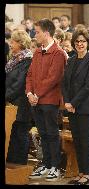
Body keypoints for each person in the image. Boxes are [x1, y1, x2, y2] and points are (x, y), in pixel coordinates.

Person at [26, 18, 67, 181]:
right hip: (35, 100)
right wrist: (29, 93)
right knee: (42, 133)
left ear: (46, 33)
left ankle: (55, 166)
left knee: (51, 133)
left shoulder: (58, 53)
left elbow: (54, 78)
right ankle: (45, 163)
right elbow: (29, 75)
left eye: (37, 32)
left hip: (49, 100)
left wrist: (37, 94)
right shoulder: (37, 52)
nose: (35, 35)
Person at [62, 28, 89, 185]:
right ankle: (81, 172)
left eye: (83, 41)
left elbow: (88, 86)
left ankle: (88, 174)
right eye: (77, 41)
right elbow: (64, 83)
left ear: (88, 43)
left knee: (85, 141)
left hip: (85, 108)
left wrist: (73, 102)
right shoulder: (70, 60)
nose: (80, 44)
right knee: (77, 141)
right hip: (71, 107)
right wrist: (67, 101)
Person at [5, 30, 33, 165]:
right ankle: (11, 161)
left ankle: (20, 163)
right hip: (11, 103)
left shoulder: (27, 60)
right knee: (11, 132)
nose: (10, 44)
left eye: (13, 41)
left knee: (20, 132)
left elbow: (19, 84)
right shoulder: (14, 59)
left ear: (21, 43)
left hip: (21, 102)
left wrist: (6, 96)